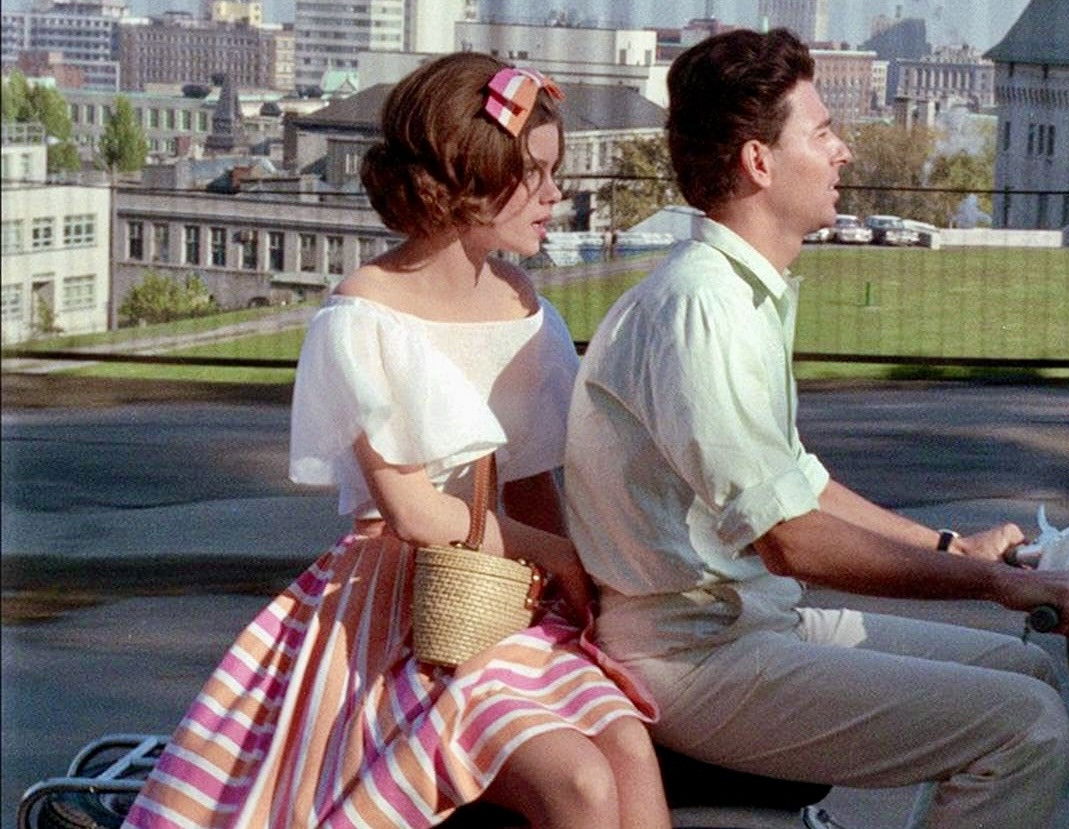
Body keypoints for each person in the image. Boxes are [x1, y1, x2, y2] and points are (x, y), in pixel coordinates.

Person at [124, 53, 669, 829]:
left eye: (555, 173)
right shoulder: (363, 316)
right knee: (578, 781)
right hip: (401, 613)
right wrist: (554, 554)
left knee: (629, 746)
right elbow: (412, 512)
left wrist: (572, 587)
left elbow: (529, 481)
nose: (557, 194)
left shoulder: (525, 307)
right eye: (534, 174)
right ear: (467, 177)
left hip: (503, 596)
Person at [562, 28, 1069, 829]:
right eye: (822, 132)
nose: (843, 151)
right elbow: (792, 539)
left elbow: (797, 482)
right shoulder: (702, 310)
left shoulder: (739, 294)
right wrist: (993, 584)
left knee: (1025, 673)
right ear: (759, 162)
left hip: (753, 622)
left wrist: (951, 547)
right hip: (696, 657)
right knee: (1027, 728)